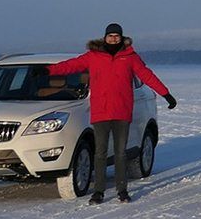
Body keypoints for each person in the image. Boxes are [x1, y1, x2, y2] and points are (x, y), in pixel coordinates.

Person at [47, 23, 176, 204]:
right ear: (105, 37)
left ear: (121, 38)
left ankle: (122, 190)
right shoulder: (94, 56)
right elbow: (71, 66)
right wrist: (48, 71)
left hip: (122, 112)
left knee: (120, 153)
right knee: (100, 153)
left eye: (117, 36)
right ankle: (98, 191)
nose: (113, 38)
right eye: (110, 36)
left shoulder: (130, 57)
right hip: (101, 112)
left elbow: (147, 75)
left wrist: (166, 94)